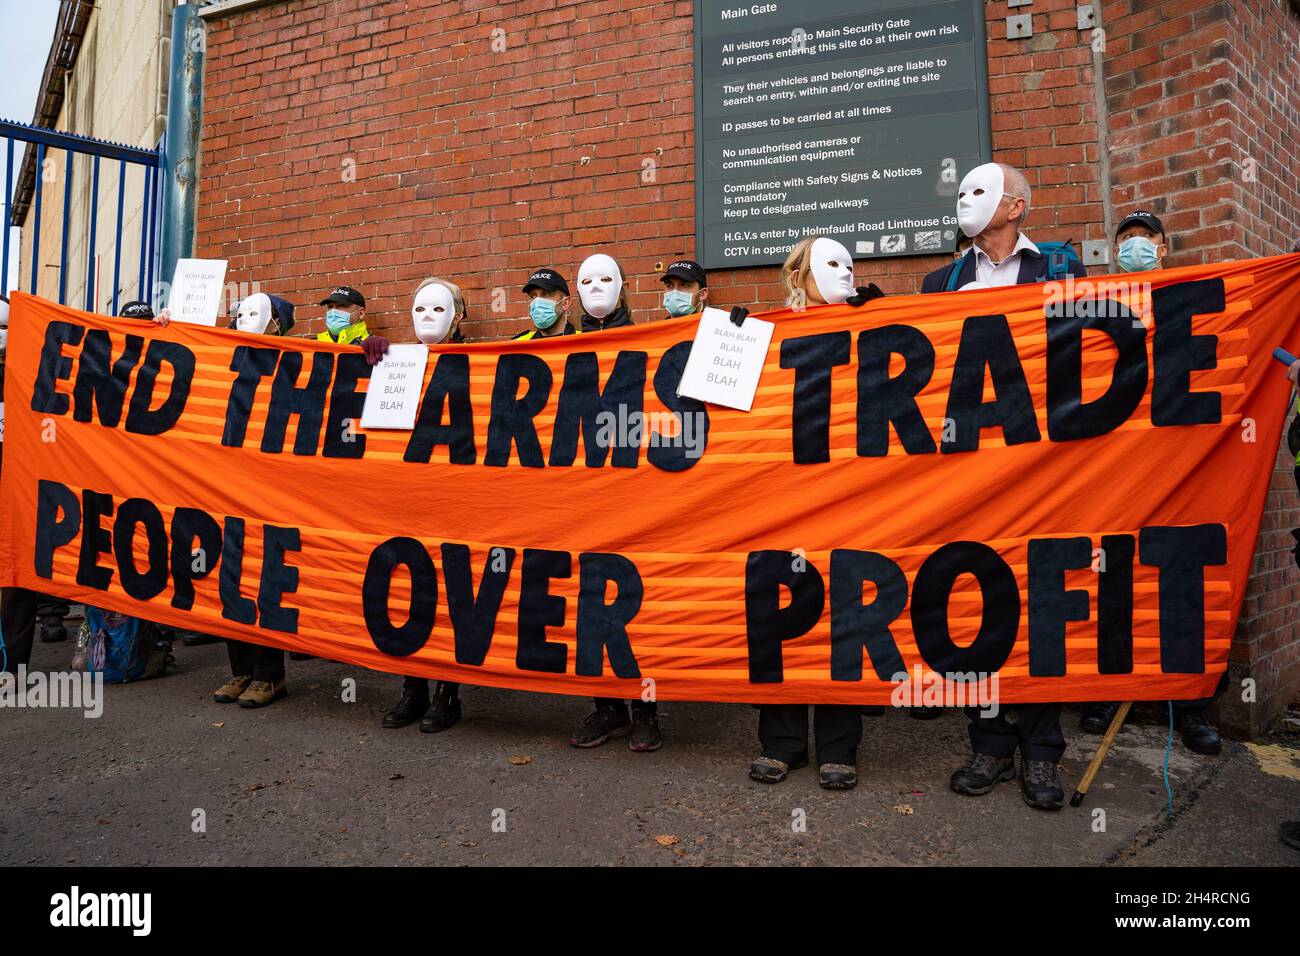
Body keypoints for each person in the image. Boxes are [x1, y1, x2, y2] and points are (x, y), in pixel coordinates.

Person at [922, 162, 1087, 810]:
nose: (965, 201)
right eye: (959, 193)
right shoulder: (943, 282)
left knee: (1041, 602)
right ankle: (989, 740)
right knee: (977, 604)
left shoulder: (1061, 270)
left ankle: (1042, 753)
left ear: (1016, 206)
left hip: (1041, 471)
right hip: (968, 471)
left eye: (980, 191)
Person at [1077, 209, 1225, 754]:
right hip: (1116, 470)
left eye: (1146, 238)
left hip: (1177, 469)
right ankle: (1109, 694)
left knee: (1181, 589)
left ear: (1164, 248)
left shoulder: (1187, 298)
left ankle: (1189, 705)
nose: (1135, 245)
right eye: (1127, 238)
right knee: (1113, 584)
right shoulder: (1099, 306)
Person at [746, 235, 874, 790]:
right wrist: (721, 341)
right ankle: (783, 744)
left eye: (850, 265)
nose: (846, 274)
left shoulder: (873, 323)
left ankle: (839, 746)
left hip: (848, 496)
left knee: (842, 617)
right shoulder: (761, 335)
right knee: (780, 618)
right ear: (800, 275)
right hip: (781, 498)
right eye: (831, 265)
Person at [381, 277, 469, 733]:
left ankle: (446, 695)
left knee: (450, 596)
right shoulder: (394, 363)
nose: (428, 317)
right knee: (407, 593)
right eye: (419, 309)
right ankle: (412, 689)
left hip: (453, 500)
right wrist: (366, 364)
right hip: (407, 500)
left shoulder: (481, 364)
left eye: (438, 309)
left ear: (458, 316)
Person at [212, 293, 298, 708]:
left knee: (265, 580)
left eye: (256, 315)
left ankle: (269, 676)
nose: (244, 320)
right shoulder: (224, 358)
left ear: (277, 323)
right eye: (239, 314)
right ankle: (240, 671)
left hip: (272, 487)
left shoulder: (298, 360)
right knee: (231, 578)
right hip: (228, 484)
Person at [316, 284, 389, 365]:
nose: (333, 311)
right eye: (330, 306)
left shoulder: (374, 347)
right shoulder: (313, 344)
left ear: (361, 313)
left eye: (341, 306)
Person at [513, 268, 580, 340]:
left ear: (565, 303)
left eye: (546, 294)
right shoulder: (519, 345)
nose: (537, 301)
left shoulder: (584, 342)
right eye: (533, 296)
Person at [575, 254, 633, 332]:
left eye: (605, 280)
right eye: (587, 282)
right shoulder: (575, 343)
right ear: (579, 294)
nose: (595, 286)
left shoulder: (642, 340)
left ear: (623, 289)